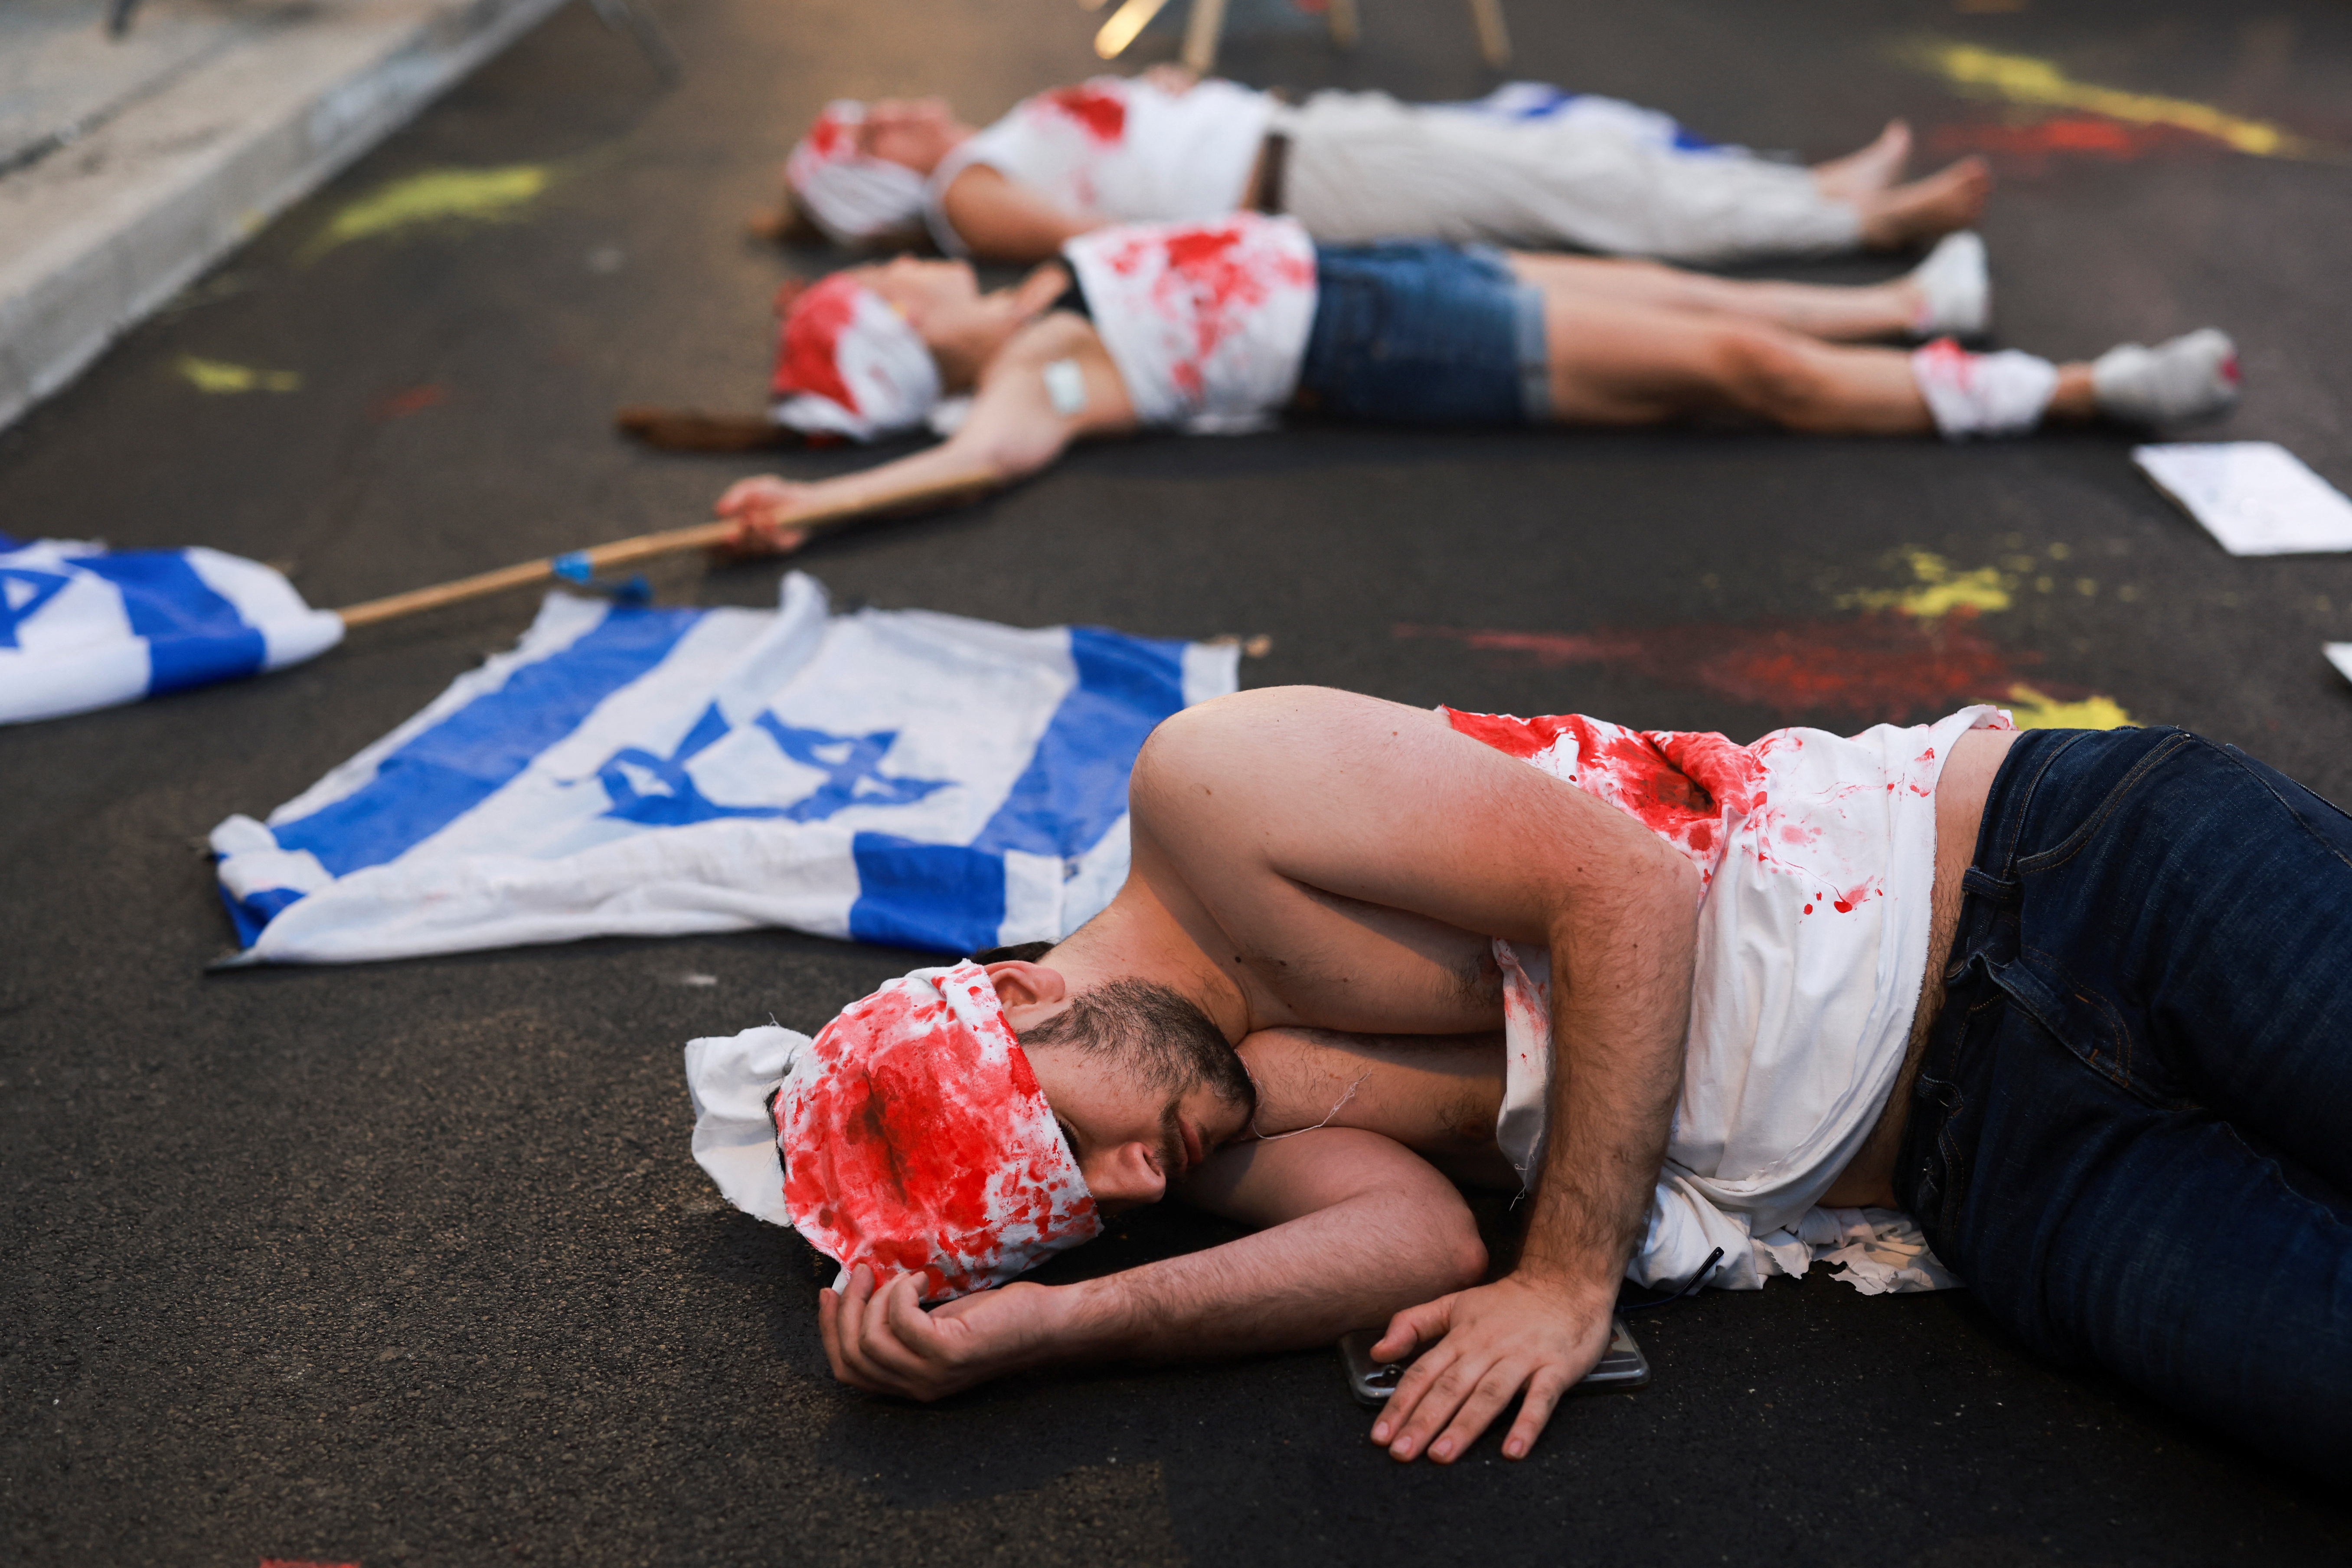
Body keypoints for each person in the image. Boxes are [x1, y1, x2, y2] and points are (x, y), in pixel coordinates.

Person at [686, 687, 2352, 1477]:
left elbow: (1626, 889)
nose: (1130, 1190)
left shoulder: (1210, 790)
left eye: (1076, 1141)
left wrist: (1565, 1275)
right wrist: (1050, 1328)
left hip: (2076, 880)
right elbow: (1411, 1243)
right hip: (1992, 1165)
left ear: (1022, 993)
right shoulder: (1209, 1121)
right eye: (1085, 1212)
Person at [686, 213, 2236, 549]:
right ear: (900, 340)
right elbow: (982, 461)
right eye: (888, 283)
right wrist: (815, 505)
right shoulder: (1037, 365)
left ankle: (1913, 307)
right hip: (1391, 346)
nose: (911, 260)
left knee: (1687, 291)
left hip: (1388, 275)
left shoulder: (1034, 289)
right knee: (1741, 368)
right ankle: (2077, 389)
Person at [772, 68, 1992, 266]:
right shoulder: (969, 195)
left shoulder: (981, 156)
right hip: (1303, 185)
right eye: (875, 132)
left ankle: (1813, 194)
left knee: (1577, 154)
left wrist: (1164, 104)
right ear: (880, 180)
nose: (901, 110)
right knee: (1588, 191)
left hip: (1305, 143)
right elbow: (1115, 248)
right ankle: (1850, 225)